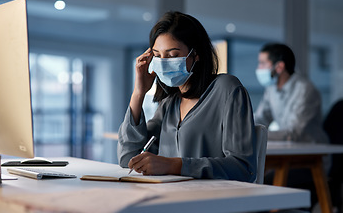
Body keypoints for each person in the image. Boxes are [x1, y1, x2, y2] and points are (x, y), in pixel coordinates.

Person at [117, 11, 257, 182]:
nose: (164, 61)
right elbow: (128, 159)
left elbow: (243, 169)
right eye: (158, 55)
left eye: (173, 55)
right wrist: (138, 93)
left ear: (195, 54)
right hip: (169, 199)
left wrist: (173, 165)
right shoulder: (169, 103)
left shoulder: (227, 89)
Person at [254, 43, 329, 144]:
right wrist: (244, 129)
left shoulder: (305, 90)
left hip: (311, 150)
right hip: (289, 148)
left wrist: (255, 134)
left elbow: (293, 133)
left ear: (279, 67)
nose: (259, 68)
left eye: (262, 63)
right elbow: (261, 118)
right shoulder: (271, 89)